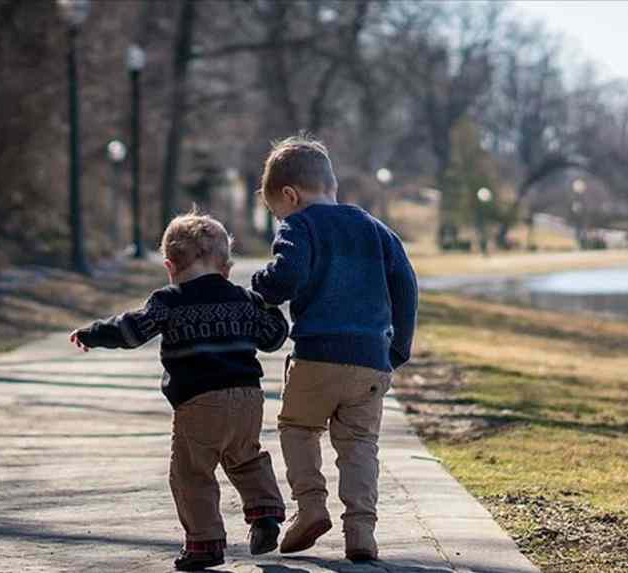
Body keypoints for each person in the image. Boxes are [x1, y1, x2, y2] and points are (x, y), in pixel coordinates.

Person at [70, 212, 288, 571]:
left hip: (199, 401)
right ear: (227, 267)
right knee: (246, 457)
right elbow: (274, 337)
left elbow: (131, 331)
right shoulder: (243, 299)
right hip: (248, 399)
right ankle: (265, 514)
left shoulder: (168, 301)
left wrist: (94, 334)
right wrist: (270, 305)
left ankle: (204, 543)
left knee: (192, 473)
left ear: (170, 266)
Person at [251, 135, 419, 562]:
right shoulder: (376, 229)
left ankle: (310, 507)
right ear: (332, 186)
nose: (280, 219)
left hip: (317, 355)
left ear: (290, 196)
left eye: (277, 212)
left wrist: (261, 286)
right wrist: (398, 347)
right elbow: (407, 286)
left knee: (298, 428)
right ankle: (361, 532)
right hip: (370, 361)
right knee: (360, 444)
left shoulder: (299, 226)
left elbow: (286, 278)